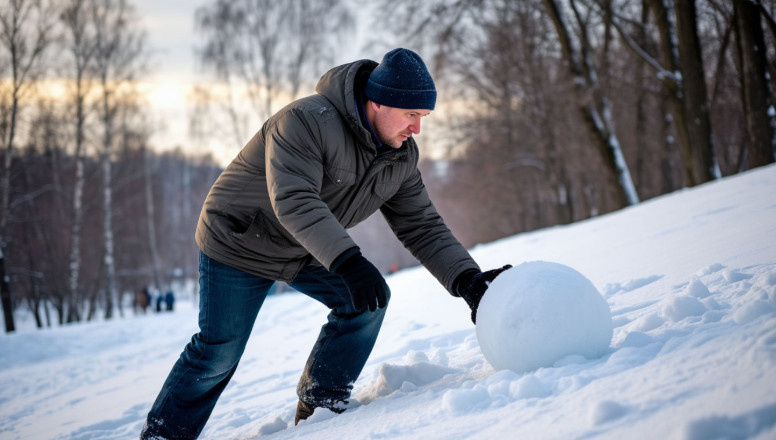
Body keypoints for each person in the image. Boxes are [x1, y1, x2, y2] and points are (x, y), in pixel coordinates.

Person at [140, 48, 510, 439]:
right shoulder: (304, 121)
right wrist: (348, 261)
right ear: (378, 102)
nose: (417, 129)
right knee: (219, 351)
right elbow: (295, 200)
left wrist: (467, 281)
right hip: (239, 242)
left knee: (366, 302)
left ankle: (321, 405)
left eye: (423, 117)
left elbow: (422, 225)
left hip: (303, 248)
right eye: (411, 115)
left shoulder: (399, 158)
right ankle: (165, 434)